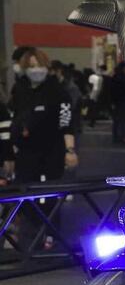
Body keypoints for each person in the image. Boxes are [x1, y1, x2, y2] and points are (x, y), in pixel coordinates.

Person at [9, 48, 78, 249]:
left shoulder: (58, 91)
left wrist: (70, 150)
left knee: (51, 195)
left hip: (52, 151)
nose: (36, 70)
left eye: (39, 65)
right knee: (25, 193)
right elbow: (15, 117)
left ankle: (51, 234)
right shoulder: (19, 89)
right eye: (31, 66)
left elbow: (66, 123)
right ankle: (28, 236)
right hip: (26, 153)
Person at [110, 62, 125, 143]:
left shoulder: (114, 77)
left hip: (116, 101)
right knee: (124, 119)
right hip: (124, 100)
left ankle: (115, 136)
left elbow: (111, 90)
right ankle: (124, 136)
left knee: (116, 120)